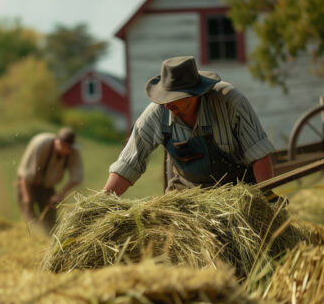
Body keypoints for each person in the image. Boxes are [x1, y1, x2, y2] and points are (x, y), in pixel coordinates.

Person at [103, 55, 276, 197]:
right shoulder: (157, 112)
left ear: (195, 94)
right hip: (186, 198)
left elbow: (259, 155)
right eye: (163, 97)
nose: (165, 104)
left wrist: (265, 196)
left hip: (237, 194)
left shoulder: (230, 102)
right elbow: (128, 163)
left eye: (172, 97)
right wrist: (102, 202)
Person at [16, 127, 84, 232]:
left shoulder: (73, 151)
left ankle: (47, 240)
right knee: (30, 219)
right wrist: (27, 201)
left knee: (51, 221)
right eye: (62, 146)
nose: (65, 150)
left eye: (68, 148)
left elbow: (76, 177)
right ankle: (32, 238)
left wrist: (61, 193)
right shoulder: (41, 144)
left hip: (47, 187)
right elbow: (25, 176)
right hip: (27, 184)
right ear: (56, 140)